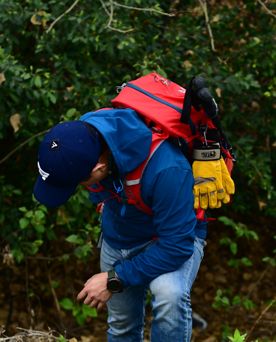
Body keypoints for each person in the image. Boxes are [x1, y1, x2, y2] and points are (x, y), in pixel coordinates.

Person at [33, 108, 207, 342]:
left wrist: (114, 279)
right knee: (122, 327)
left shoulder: (167, 169)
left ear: (98, 169)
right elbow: (98, 189)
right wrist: (106, 202)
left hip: (169, 240)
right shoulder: (84, 135)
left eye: (76, 184)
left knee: (169, 296)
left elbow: (176, 246)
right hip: (119, 236)